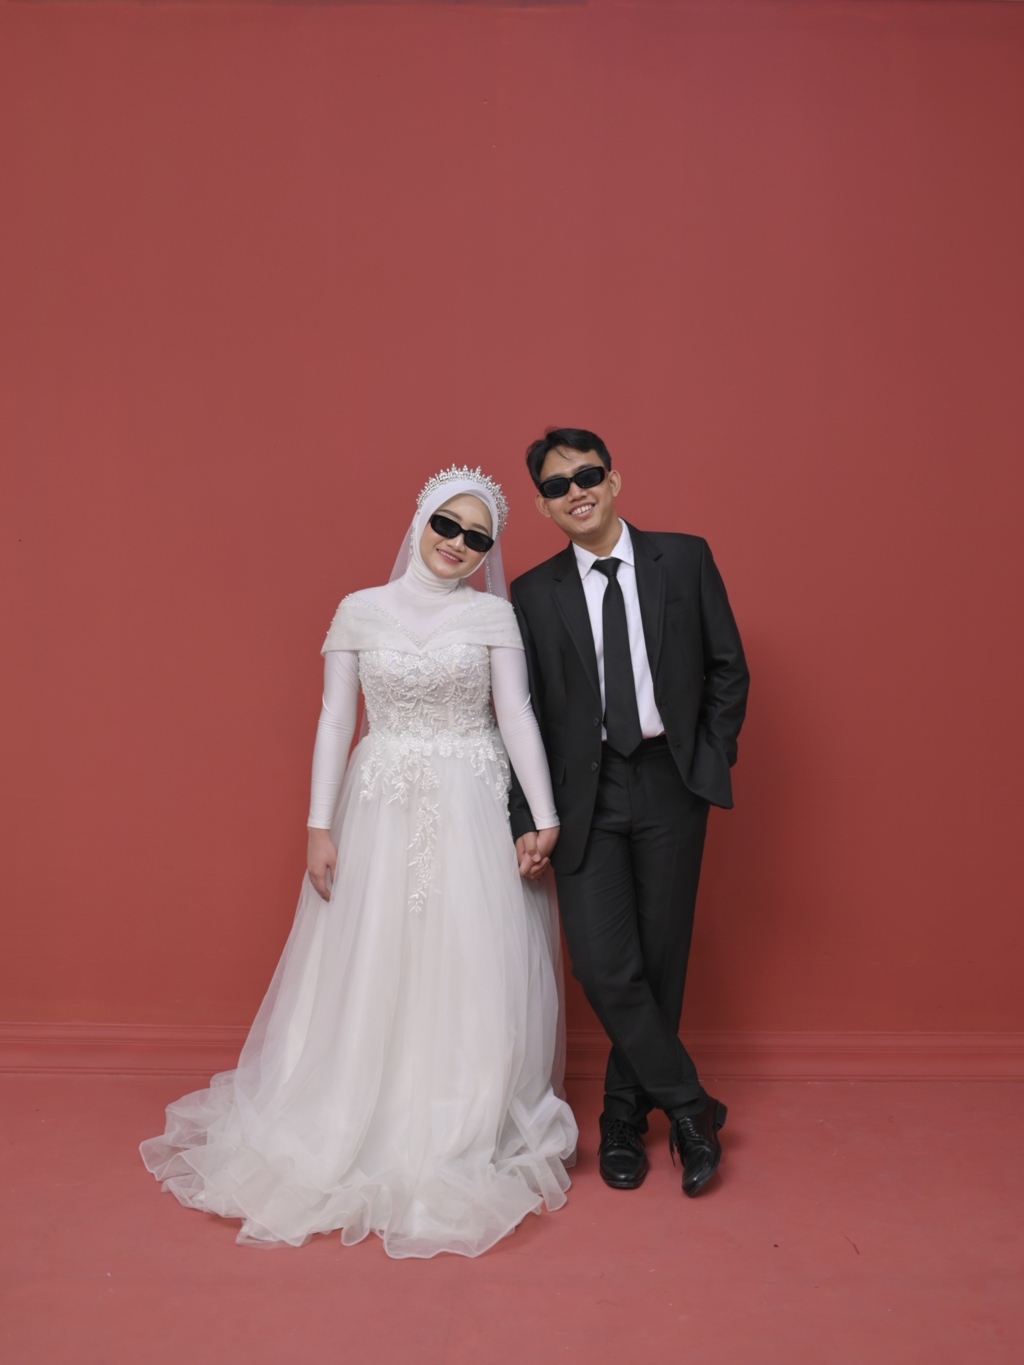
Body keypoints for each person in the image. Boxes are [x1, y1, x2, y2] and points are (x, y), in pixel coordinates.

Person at [141, 466, 577, 1259]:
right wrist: (318, 824)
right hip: (381, 803)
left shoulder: (492, 615)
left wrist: (545, 814)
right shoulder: (359, 610)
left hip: (472, 800)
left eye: (477, 537)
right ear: (419, 520)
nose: (457, 543)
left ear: (489, 552)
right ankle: (354, 1107)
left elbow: (515, 713)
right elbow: (334, 719)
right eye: (446, 524)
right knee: (376, 950)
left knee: (468, 955)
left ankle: (460, 1116)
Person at [508, 429, 749, 1197]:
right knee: (604, 964)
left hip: (670, 779)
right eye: (557, 486)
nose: (575, 492)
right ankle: (689, 1105)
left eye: (586, 475)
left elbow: (727, 667)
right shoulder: (531, 593)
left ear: (614, 480)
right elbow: (521, 712)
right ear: (544, 507)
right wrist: (525, 812)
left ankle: (620, 1117)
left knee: (661, 957)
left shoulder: (684, 558)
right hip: (583, 792)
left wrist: (707, 756)